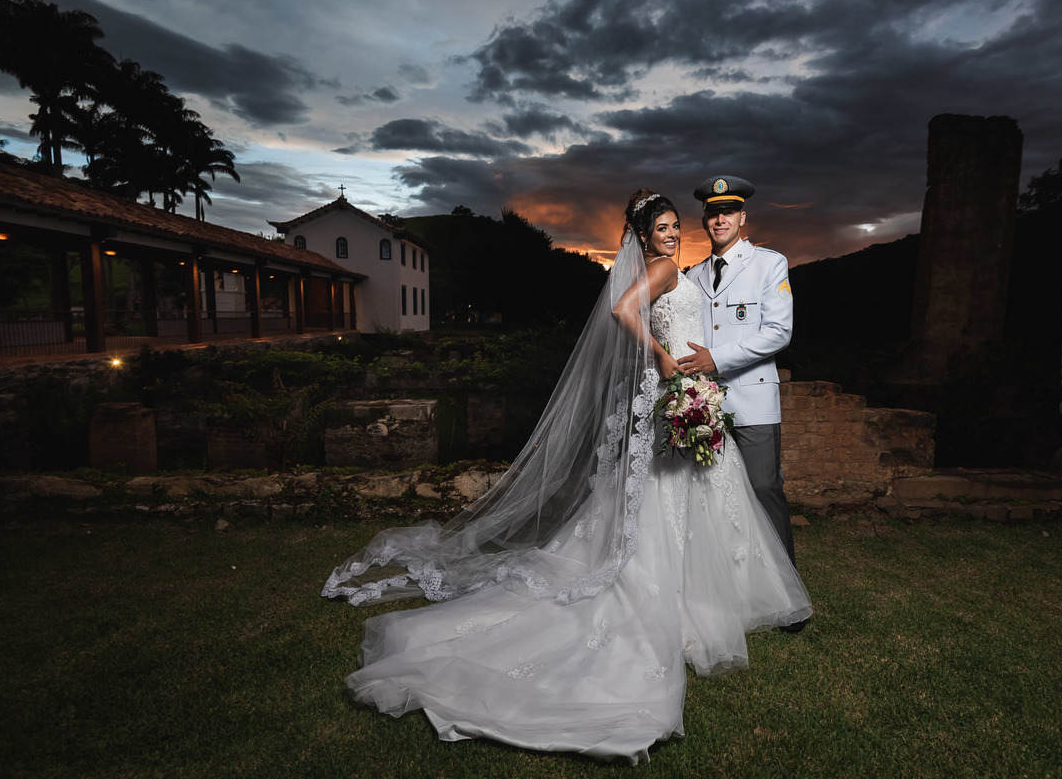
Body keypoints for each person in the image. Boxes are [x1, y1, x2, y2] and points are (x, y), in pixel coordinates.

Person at [322, 190, 812, 764]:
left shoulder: (733, 267)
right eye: (664, 226)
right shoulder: (667, 268)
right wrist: (660, 355)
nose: (675, 233)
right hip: (680, 389)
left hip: (701, 394)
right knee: (672, 503)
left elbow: (755, 329)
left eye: (678, 225)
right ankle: (686, 601)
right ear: (644, 235)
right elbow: (626, 311)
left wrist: (696, 372)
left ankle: (711, 595)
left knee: (707, 497)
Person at [678, 177, 800, 579]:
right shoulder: (692, 276)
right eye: (712, 213)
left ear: (742, 217)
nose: (719, 219)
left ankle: (785, 586)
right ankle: (731, 583)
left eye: (727, 211)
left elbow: (779, 332)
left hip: (753, 401)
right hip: (705, 405)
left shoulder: (769, 263)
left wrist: (717, 359)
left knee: (764, 489)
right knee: (714, 496)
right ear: (704, 220)